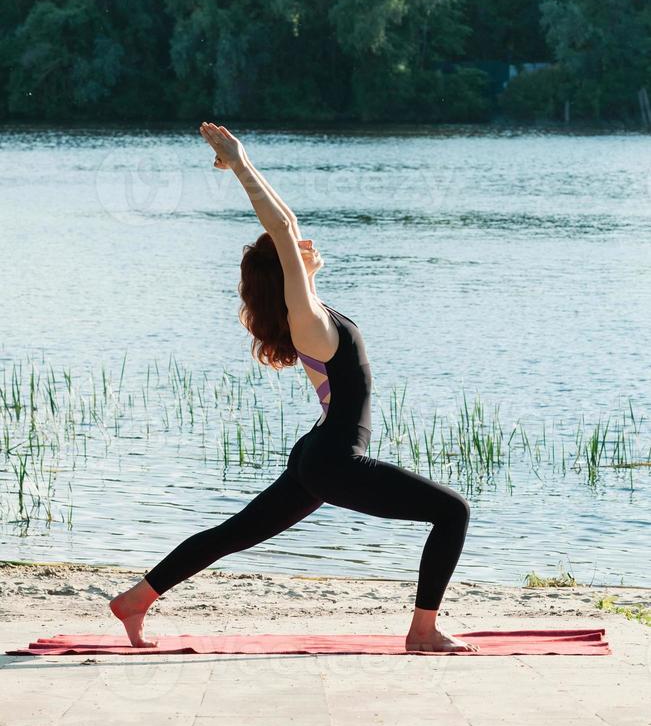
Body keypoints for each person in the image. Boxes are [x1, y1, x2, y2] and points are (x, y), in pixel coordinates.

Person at [110, 123, 477, 653]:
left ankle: (136, 599)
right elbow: (282, 227)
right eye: (293, 249)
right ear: (287, 272)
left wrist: (248, 168)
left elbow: (289, 224)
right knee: (452, 511)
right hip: (333, 460)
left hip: (319, 452)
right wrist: (240, 163)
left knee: (235, 533)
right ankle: (422, 632)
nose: (305, 243)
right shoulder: (307, 319)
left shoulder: (313, 318)